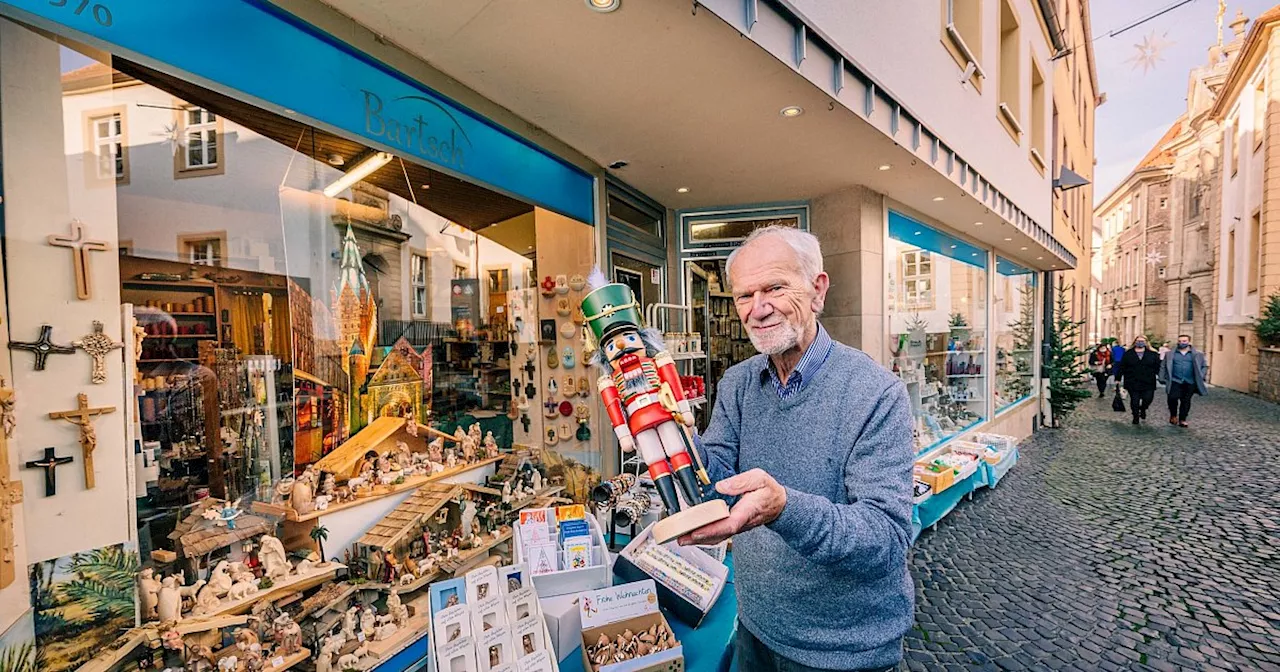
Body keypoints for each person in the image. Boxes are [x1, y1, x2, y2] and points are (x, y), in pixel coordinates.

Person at [684, 226, 913, 672]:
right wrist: (672, 435)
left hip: (845, 650)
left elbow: (886, 539)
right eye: (744, 295)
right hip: (756, 628)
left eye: (774, 287)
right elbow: (716, 484)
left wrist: (783, 507)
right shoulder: (738, 383)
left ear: (817, 290)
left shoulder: (875, 392)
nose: (758, 309)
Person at [1159, 334, 1208, 427]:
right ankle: (1173, 415)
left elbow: (1204, 366)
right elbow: (1163, 366)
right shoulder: (1170, 354)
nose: (1182, 343)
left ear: (1189, 342)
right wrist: (1161, 377)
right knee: (1172, 398)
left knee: (1186, 400)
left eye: (1184, 341)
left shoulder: (1197, 354)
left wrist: (1201, 375)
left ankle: (1183, 419)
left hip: (1190, 381)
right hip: (1175, 380)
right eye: (1180, 341)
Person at [1117, 336, 1161, 425]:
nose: (1140, 343)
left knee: (1148, 398)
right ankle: (1135, 416)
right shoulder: (1128, 353)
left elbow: (1158, 367)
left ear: (1146, 342)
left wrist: (1162, 376)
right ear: (1135, 342)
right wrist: (1117, 378)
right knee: (1134, 400)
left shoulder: (1153, 354)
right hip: (1132, 380)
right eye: (1138, 341)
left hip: (1148, 381)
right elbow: (1122, 366)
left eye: (1142, 341)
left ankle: (1143, 409)